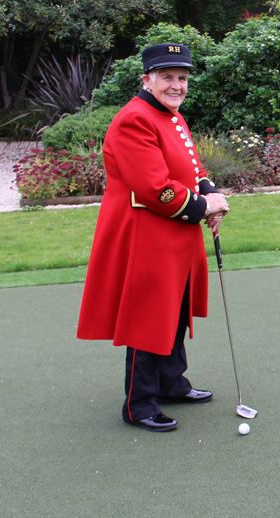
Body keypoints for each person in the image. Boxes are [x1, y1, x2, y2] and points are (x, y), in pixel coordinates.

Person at [77, 43, 230, 431]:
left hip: (175, 235)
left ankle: (170, 383)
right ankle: (139, 404)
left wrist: (210, 193)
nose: (177, 85)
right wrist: (204, 207)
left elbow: (189, 168)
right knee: (148, 318)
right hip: (147, 236)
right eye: (167, 77)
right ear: (146, 79)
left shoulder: (171, 116)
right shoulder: (135, 119)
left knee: (174, 313)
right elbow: (155, 189)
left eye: (182, 78)